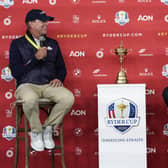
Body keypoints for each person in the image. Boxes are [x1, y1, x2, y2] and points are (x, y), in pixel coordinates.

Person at [9, 9, 74, 152]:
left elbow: (61, 68)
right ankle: (36, 132)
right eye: (42, 21)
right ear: (30, 23)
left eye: (47, 21)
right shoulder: (17, 44)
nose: (46, 24)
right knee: (29, 98)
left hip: (48, 85)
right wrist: (35, 59)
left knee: (68, 98)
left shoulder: (53, 43)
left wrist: (59, 78)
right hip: (27, 85)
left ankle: (47, 129)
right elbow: (16, 72)